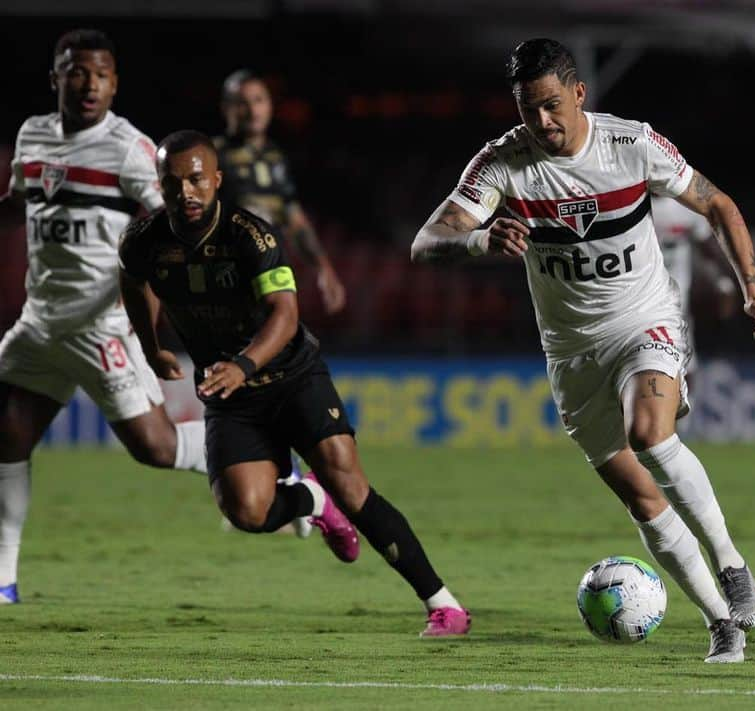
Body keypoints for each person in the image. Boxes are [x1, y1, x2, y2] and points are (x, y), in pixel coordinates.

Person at [412, 38, 755, 663]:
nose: (542, 122)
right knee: (640, 494)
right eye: (529, 110)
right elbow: (426, 242)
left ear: (579, 93)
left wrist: (753, 291)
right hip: (571, 355)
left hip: (645, 321)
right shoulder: (503, 162)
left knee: (650, 431)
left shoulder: (630, 144)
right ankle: (723, 624)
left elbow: (716, 202)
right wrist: (477, 241)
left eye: (552, 105)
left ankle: (733, 566)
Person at [118, 130, 469, 637]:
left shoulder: (250, 236)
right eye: (173, 184)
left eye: (196, 180)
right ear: (160, 185)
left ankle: (443, 604)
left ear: (216, 180)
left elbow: (285, 315)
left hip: (291, 375)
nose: (186, 193)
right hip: (229, 392)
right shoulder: (145, 241)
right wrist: (151, 347)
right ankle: (310, 501)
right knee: (245, 510)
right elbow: (134, 279)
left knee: (350, 483)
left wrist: (242, 363)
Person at [0, 29, 209, 606]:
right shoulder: (32, 135)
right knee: (8, 436)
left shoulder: (129, 149)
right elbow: (24, 200)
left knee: (155, 449)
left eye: (100, 74)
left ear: (115, 84)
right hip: (39, 321)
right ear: (55, 78)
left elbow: (176, 229)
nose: (88, 83)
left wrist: (152, 317)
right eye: (75, 71)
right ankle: (2, 581)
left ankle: (263, 456)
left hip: (102, 326)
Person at [215, 69, 345, 315]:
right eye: (242, 103)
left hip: (270, 273)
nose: (253, 110)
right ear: (227, 108)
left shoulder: (276, 158)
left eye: (259, 100)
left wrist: (324, 269)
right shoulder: (212, 155)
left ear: (270, 105)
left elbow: (293, 219)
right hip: (226, 278)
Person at [652, 195, 738, 394]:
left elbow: (709, 246)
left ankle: (682, 423)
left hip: (676, 304)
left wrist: (724, 281)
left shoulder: (685, 206)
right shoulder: (632, 203)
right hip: (639, 301)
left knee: (686, 368)